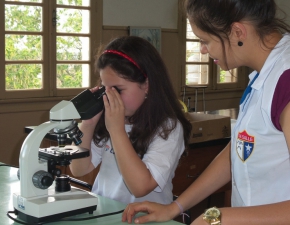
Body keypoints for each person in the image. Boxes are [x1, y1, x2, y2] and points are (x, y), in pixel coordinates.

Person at [122, 0, 290, 224]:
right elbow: (239, 152)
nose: (203, 49)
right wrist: (175, 207)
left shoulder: (285, 81)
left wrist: (219, 217)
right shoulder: (263, 76)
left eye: (206, 40)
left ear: (237, 31)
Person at [69, 36, 192, 205]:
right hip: (106, 213)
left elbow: (141, 187)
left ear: (146, 85)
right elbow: (79, 169)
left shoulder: (168, 128)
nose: (110, 97)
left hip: (143, 218)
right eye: (105, 88)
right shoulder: (109, 119)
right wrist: (88, 124)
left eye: (118, 89)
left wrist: (117, 131)